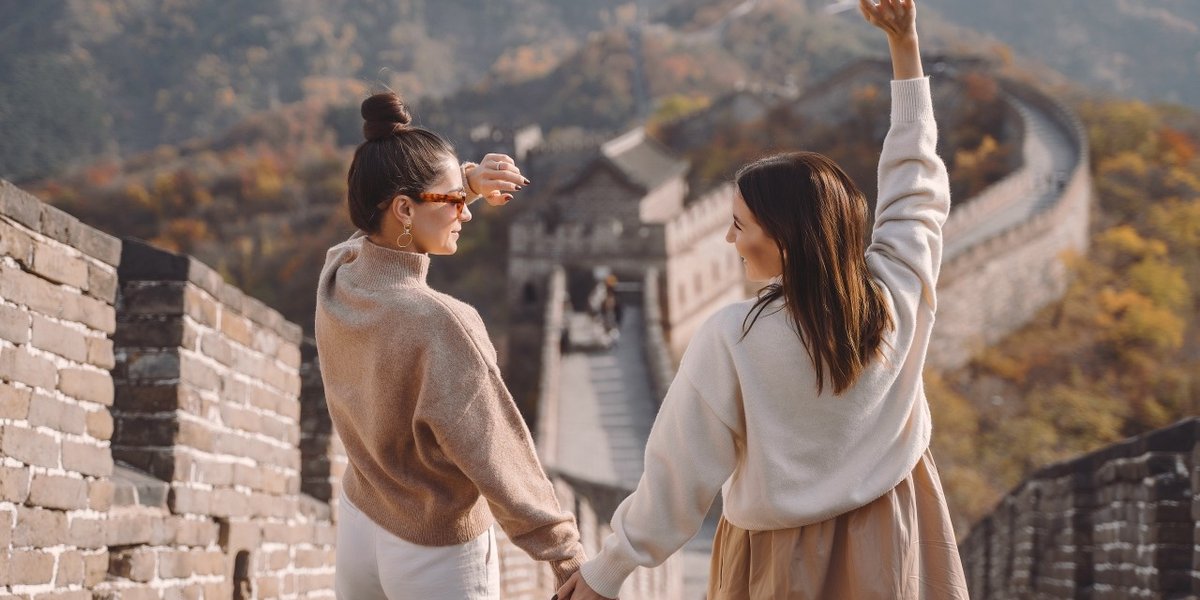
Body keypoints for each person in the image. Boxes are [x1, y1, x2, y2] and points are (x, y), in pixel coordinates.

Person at [556, 0, 968, 598]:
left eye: (740, 224)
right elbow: (916, 183)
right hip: (898, 533)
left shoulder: (735, 336)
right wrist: (905, 49)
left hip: (781, 558)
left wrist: (606, 571)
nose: (729, 238)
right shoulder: (896, 293)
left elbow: (678, 476)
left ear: (784, 238)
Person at [314, 91, 585, 600]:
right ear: (403, 209)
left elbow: (371, 231)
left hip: (359, 523)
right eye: (455, 201)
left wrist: (459, 184)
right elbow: (497, 452)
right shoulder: (442, 323)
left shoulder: (340, 272)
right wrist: (567, 555)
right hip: (434, 550)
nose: (466, 212)